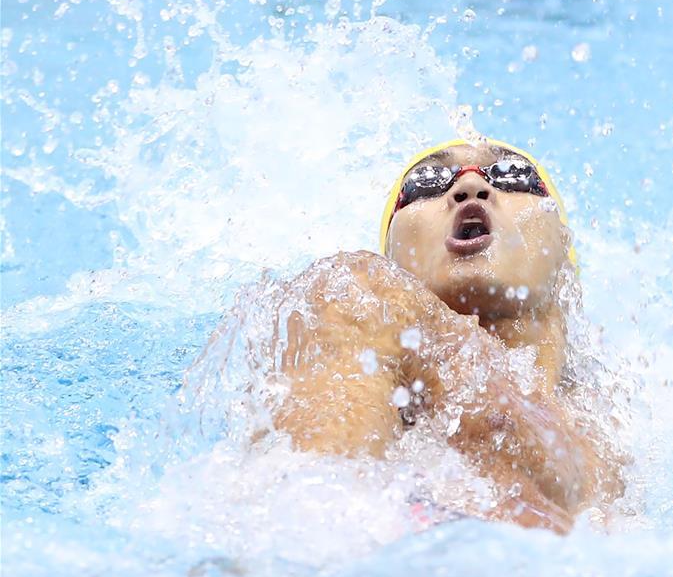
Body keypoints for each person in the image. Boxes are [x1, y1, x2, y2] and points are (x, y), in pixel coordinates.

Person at [197, 137, 624, 534]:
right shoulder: (364, 298)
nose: (471, 185)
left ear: (565, 257)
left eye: (513, 175)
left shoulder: (622, 434)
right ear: (393, 257)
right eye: (426, 183)